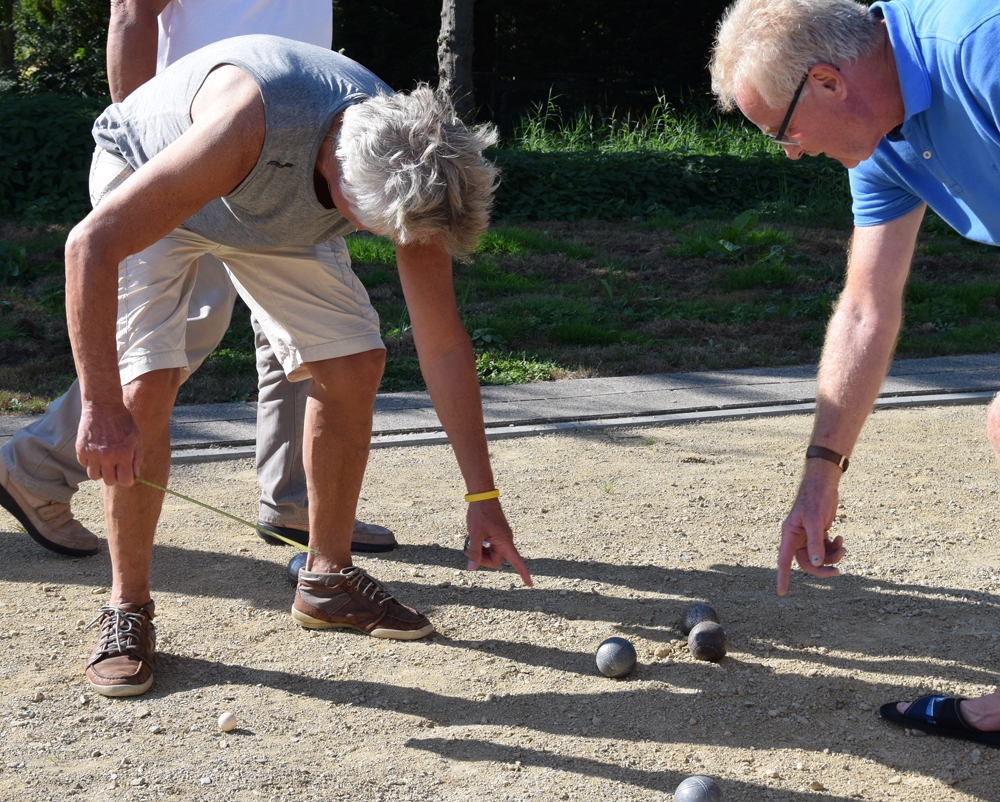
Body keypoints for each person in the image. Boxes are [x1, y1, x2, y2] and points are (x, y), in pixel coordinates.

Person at [75, 34, 531, 698]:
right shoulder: (249, 123)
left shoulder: (418, 163)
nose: (394, 246)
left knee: (352, 363)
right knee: (144, 388)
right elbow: (88, 247)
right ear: (341, 181)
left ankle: (327, 578)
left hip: (269, 210)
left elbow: (441, 343)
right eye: (384, 231)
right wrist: (99, 404)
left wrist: (482, 498)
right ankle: (127, 608)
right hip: (155, 177)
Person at [0, 0, 396, 558]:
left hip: (302, 148)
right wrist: (144, 152)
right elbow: (131, 12)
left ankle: (295, 500)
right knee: (178, 340)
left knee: (318, 344)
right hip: (207, 143)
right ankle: (36, 466)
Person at [710, 0, 1000, 744]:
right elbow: (867, 308)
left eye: (781, 128)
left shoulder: (981, 49)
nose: (791, 152)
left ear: (830, 82)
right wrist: (819, 476)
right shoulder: (883, 142)